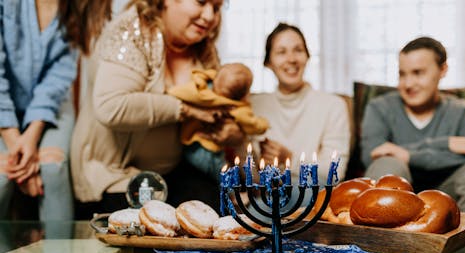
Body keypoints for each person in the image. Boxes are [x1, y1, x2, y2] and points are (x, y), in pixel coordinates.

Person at [71, 0, 242, 215]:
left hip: (173, 172)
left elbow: (216, 109)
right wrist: (184, 109)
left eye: (216, 8)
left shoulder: (203, 48)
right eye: (201, 2)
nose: (209, 16)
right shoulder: (133, 31)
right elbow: (111, 106)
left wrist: (229, 132)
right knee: (144, 228)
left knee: (213, 213)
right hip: (115, 175)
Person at [0, 0, 112, 237]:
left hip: (51, 105)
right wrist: (15, 147)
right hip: (3, 103)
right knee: (3, 175)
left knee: (53, 167)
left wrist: (31, 137)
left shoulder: (79, 8)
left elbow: (58, 77)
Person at [361, 36, 465, 218]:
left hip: (452, 198)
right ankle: (382, 246)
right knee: (387, 163)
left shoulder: (462, 110)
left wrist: (409, 155)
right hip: (398, 199)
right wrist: (450, 145)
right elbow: (372, 155)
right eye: (402, 74)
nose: (408, 84)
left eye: (418, 72)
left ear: (443, 70)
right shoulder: (379, 107)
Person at [250, 23, 351, 187]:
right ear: (268, 62)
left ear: (307, 57)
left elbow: (334, 174)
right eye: (281, 52)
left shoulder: (334, 106)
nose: (291, 59)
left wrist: (289, 159)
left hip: (311, 195)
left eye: (298, 50)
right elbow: (250, 175)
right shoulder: (254, 106)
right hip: (265, 196)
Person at [168, 63, 269, 180]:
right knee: (222, 171)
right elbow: (253, 125)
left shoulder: (204, 92)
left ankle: (248, 186)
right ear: (245, 94)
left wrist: (202, 78)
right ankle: (236, 192)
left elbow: (176, 92)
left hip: (191, 143)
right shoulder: (238, 107)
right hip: (209, 149)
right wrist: (264, 124)